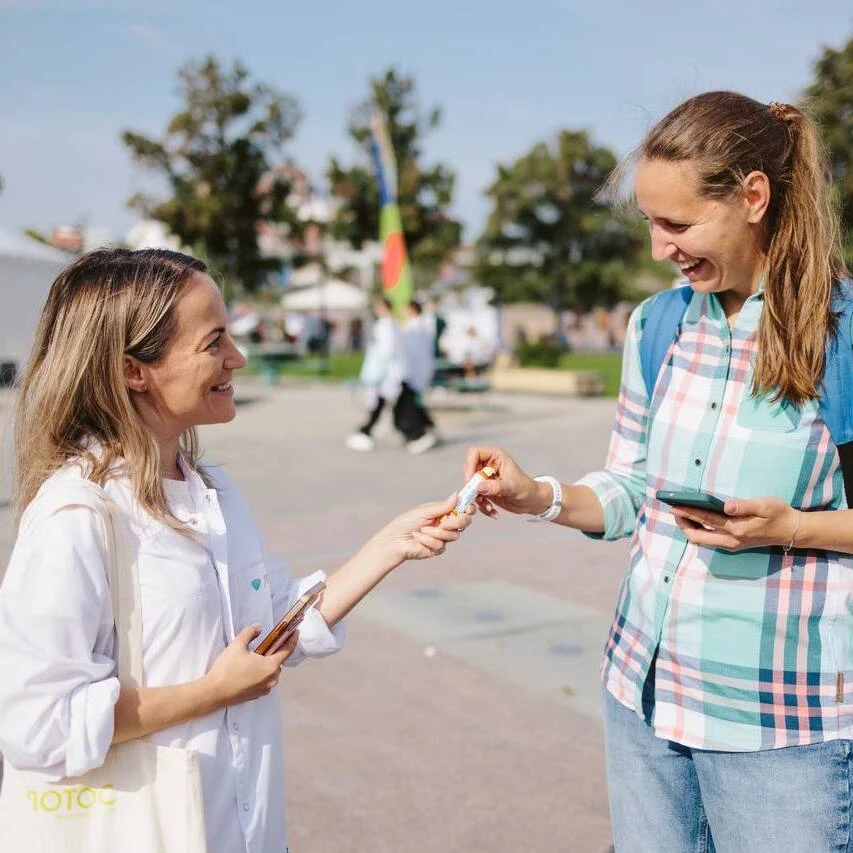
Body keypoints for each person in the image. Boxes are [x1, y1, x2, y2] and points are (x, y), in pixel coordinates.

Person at [462, 92, 851, 852]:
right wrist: (535, 494)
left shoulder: (839, 335)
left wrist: (793, 527)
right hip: (642, 692)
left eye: (675, 224)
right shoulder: (658, 324)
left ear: (752, 198)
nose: (657, 247)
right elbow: (632, 486)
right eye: (648, 221)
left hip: (779, 725)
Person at [0, 248, 471, 852]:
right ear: (133, 370)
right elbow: (35, 724)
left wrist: (390, 545)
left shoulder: (214, 492)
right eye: (214, 341)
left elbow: (272, 626)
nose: (237, 359)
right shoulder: (76, 514)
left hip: (239, 827)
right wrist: (214, 692)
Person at [345, 296, 406, 452]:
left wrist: (375, 358)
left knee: (382, 404)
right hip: (389, 373)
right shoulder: (393, 324)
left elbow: (387, 350)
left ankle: (367, 431)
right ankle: (368, 430)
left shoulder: (385, 325)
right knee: (384, 405)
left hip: (384, 373)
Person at [394, 300, 439, 455]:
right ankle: (427, 429)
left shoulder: (416, 328)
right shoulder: (420, 326)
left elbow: (414, 355)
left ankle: (419, 434)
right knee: (411, 405)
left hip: (412, 374)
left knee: (408, 406)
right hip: (414, 373)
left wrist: (406, 373)